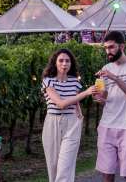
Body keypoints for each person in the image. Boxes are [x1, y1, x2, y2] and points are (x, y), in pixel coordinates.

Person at [92, 31, 126, 182]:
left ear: (122, 46)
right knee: (107, 173)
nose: (107, 51)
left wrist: (114, 77)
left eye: (111, 47)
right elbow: (105, 97)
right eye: (106, 48)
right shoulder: (106, 67)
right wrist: (98, 96)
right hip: (107, 125)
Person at [41, 49, 97, 182]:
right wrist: (86, 93)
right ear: (55, 62)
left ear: (71, 63)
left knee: (65, 167)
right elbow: (60, 104)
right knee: (53, 168)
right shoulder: (48, 81)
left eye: (67, 61)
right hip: (52, 124)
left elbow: (75, 101)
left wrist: (80, 113)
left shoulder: (75, 82)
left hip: (72, 124)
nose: (64, 63)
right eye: (61, 60)